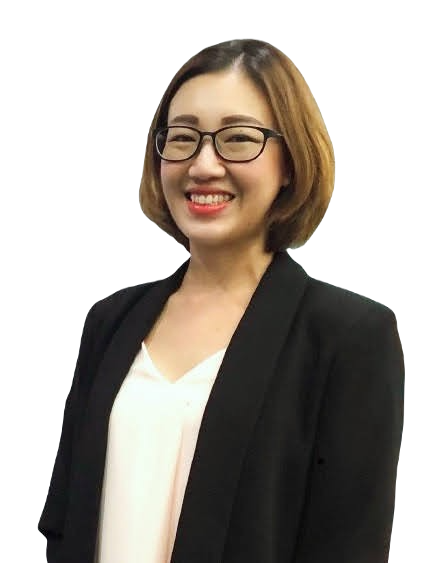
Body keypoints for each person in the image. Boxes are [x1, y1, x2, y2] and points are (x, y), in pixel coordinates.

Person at [37, 38, 405, 563]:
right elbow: (65, 522)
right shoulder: (111, 320)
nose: (203, 165)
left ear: (290, 162)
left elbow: (348, 546)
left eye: (238, 139)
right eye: (183, 138)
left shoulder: (347, 336)